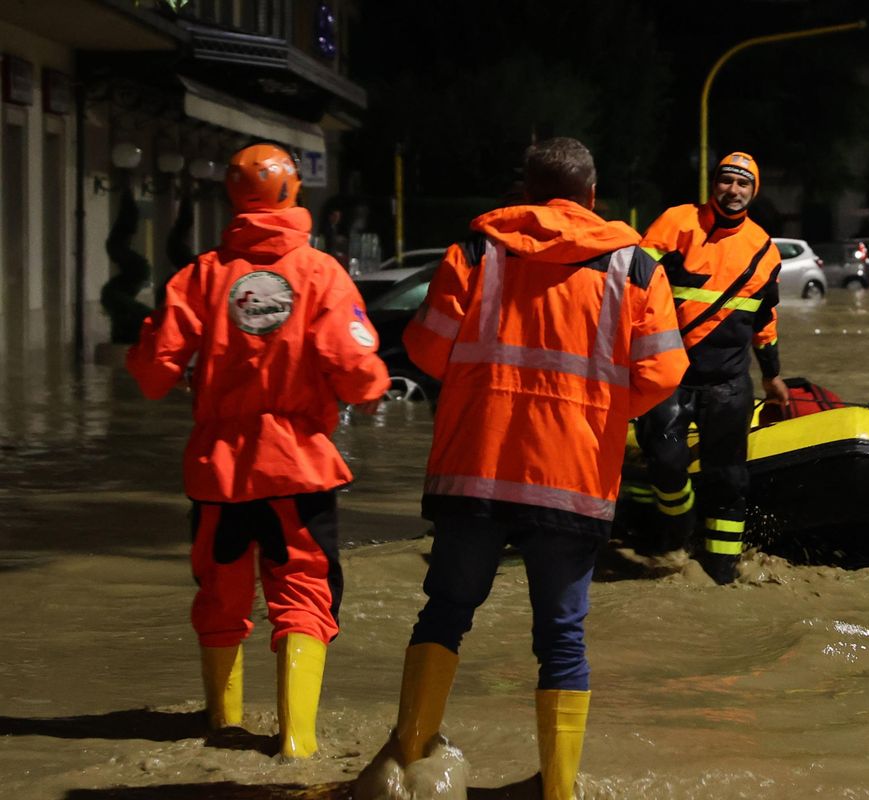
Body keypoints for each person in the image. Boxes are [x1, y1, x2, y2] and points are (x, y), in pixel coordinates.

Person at [353, 137, 688, 800]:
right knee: (562, 636)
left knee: (445, 612)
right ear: (593, 196)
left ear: (527, 190)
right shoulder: (637, 268)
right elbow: (662, 374)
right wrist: (598, 413)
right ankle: (558, 788)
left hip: (476, 469)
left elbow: (425, 349)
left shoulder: (475, 252)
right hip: (573, 478)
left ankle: (408, 757)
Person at [126, 143, 390, 759]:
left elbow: (152, 372)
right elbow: (357, 370)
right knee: (304, 596)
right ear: (292, 192)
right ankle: (297, 743)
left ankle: (221, 728)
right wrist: (372, 388)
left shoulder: (201, 275)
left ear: (232, 196)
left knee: (220, 595)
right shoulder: (321, 273)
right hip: (299, 469)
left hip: (218, 473)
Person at [635, 151, 789, 585]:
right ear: (713, 184)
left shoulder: (764, 249)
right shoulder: (676, 223)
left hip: (728, 381)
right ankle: (679, 529)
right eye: (726, 180)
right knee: (664, 459)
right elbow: (634, 287)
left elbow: (765, 320)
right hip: (670, 372)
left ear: (754, 191)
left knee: (728, 479)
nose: (733, 190)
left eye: (743, 183)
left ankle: (722, 575)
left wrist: (772, 374)